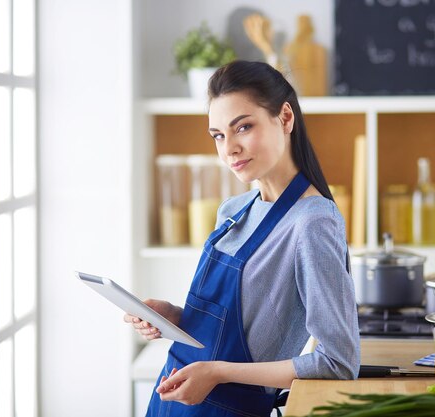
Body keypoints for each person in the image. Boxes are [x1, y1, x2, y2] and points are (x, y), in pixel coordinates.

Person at [125, 60, 360, 417]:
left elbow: (338, 361)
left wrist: (217, 372)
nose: (229, 148)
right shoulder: (234, 211)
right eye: (218, 135)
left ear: (285, 118)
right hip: (171, 403)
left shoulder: (312, 224)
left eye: (243, 127)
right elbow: (234, 330)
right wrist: (172, 317)